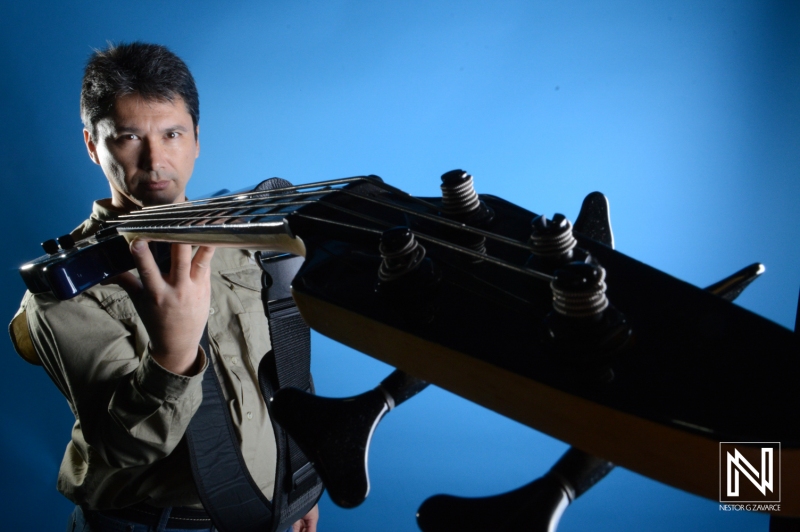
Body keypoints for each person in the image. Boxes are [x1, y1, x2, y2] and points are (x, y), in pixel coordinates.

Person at [8, 42, 319, 532]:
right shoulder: (62, 291)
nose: (155, 159)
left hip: (267, 510)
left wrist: (297, 486)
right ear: (93, 145)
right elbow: (125, 447)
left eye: (172, 133)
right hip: (150, 523)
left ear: (196, 139)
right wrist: (172, 356)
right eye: (128, 137)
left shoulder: (245, 242)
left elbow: (279, 373)